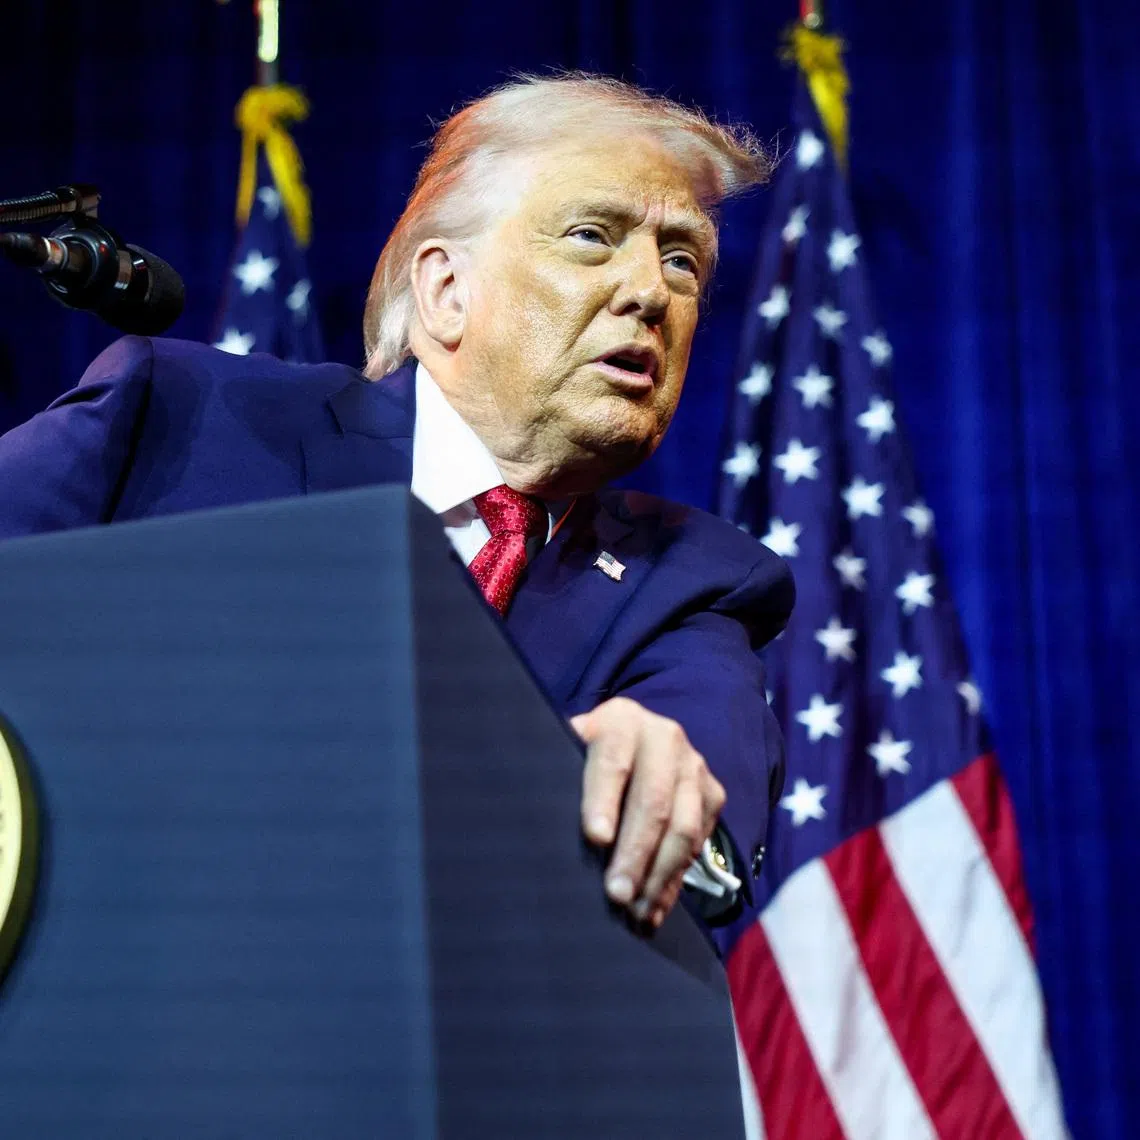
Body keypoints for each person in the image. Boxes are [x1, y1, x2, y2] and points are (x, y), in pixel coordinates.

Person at [0, 74, 793, 951]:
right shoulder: (181, 416)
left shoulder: (692, 579)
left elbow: (700, 766)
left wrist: (663, 772)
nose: (651, 290)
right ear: (446, 290)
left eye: (683, 261)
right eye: (591, 237)